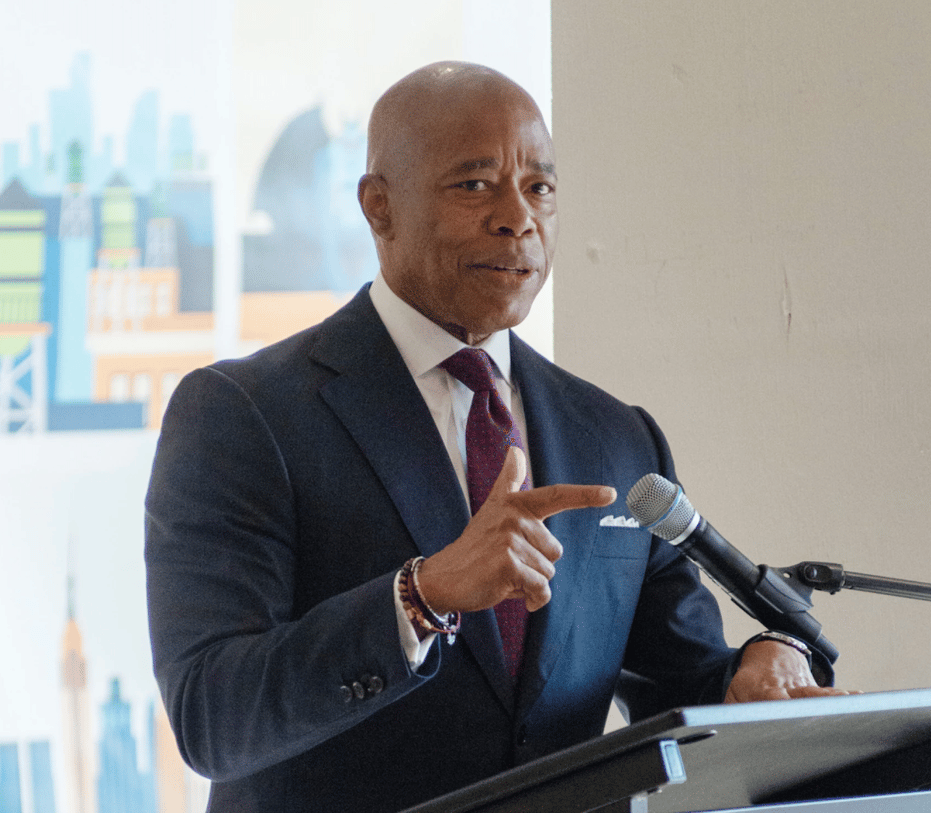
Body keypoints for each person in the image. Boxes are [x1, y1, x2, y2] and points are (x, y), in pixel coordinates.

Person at [145, 61, 844, 813]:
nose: (519, 217)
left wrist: (759, 666)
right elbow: (212, 714)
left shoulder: (615, 435)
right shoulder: (244, 415)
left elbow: (685, 681)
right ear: (378, 208)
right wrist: (422, 595)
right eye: (475, 185)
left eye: (539, 188)